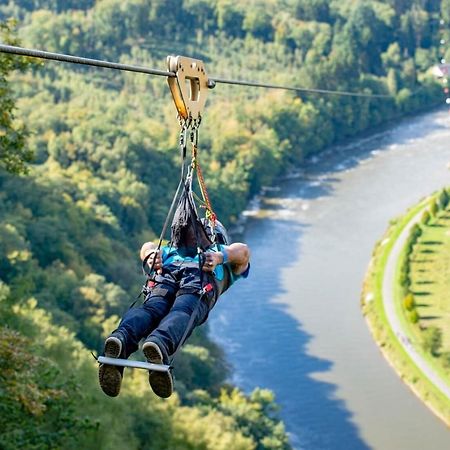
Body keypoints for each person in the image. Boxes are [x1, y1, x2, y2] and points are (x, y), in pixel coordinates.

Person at [98, 219, 250, 399]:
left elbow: (147, 246)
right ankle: (159, 343)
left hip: (165, 278)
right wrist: (151, 253)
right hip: (198, 284)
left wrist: (151, 253)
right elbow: (244, 252)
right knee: (183, 311)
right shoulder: (222, 260)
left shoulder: (174, 253)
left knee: (150, 310)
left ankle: (121, 337)